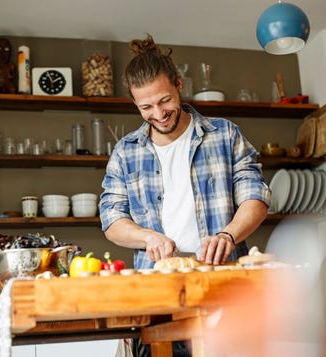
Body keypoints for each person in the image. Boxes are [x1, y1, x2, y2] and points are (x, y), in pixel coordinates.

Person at [99, 33, 270, 356]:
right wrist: (147, 237)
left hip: (224, 293)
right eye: (146, 106)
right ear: (135, 103)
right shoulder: (125, 152)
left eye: (164, 100)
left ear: (178, 84)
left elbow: (256, 197)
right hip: (157, 299)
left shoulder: (224, 134)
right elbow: (112, 219)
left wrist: (228, 235)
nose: (159, 113)